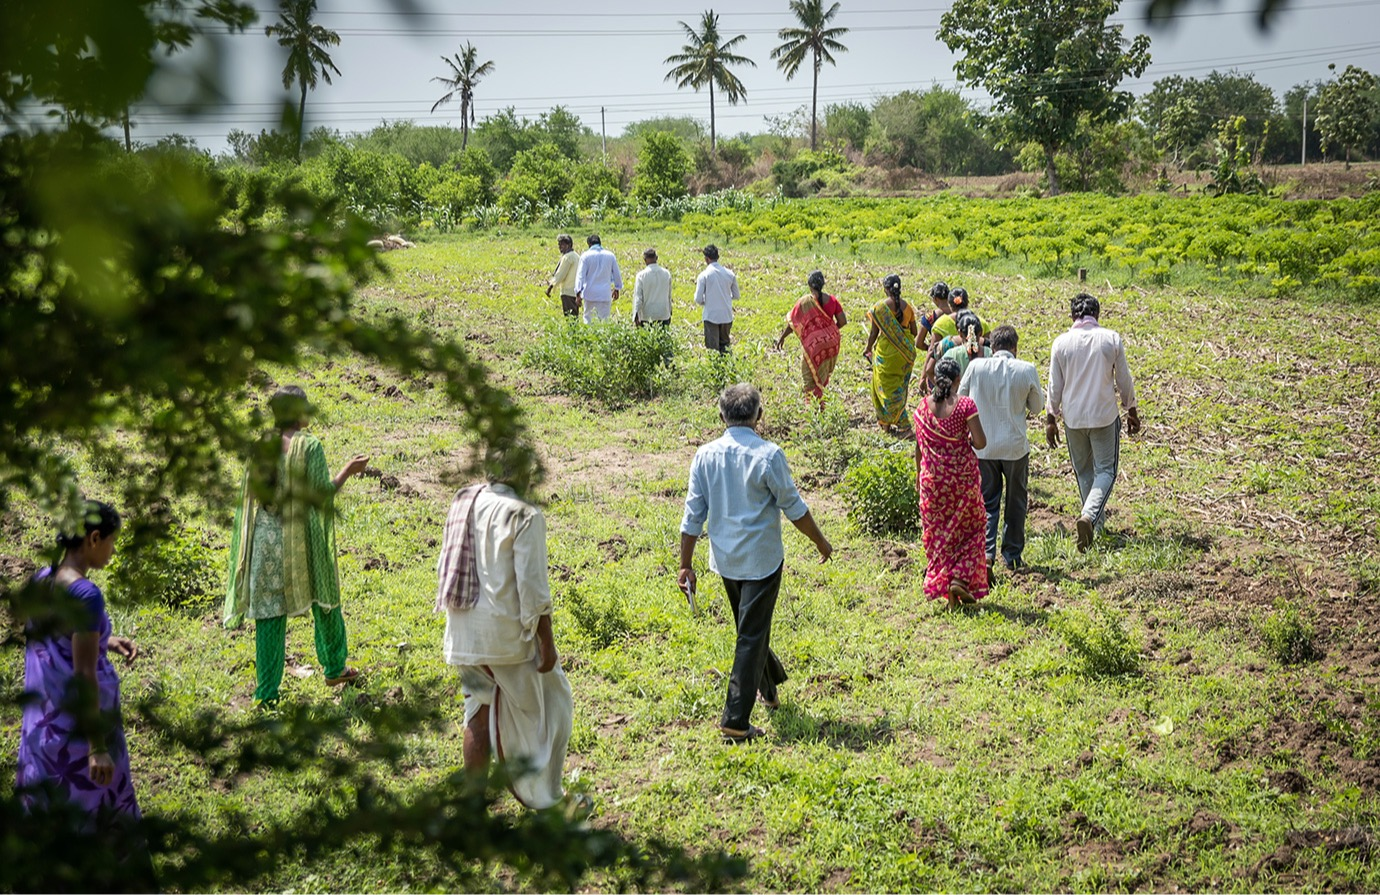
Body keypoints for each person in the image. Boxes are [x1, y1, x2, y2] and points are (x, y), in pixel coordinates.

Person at [679, 384, 832, 743]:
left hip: (727, 560)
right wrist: (821, 542)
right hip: (762, 561)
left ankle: (770, 686)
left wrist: (685, 564)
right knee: (751, 634)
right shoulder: (769, 455)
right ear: (759, 417)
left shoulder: (705, 455)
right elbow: (793, 507)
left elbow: (692, 516)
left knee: (750, 628)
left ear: (721, 417)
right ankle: (735, 718)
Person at [225, 386, 370, 703]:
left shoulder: (261, 446)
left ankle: (266, 693)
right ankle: (334, 667)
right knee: (326, 598)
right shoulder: (309, 446)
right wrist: (349, 470)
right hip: (301, 538)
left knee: (268, 616)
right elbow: (320, 495)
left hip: (264, 540)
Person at [437, 474, 574, 810]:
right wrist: (547, 641)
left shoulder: (462, 501)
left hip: (462, 634)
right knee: (552, 706)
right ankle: (545, 800)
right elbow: (533, 588)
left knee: (478, 711)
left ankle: (472, 809)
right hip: (504, 640)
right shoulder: (525, 513)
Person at [18, 501, 143, 827]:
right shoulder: (86, 595)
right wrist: (97, 747)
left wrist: (106, 641)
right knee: (98, 812)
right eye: (112, 542)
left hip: (46, 735)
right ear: (94, 538)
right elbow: (84, 672)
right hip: (79, 740)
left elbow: (60, 637)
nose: (112, 551)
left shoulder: (43, 580)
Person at [1046, 294, 1140, 552]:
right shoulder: (1110, 339)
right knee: (1106, 471)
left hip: (1073, 419)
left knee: (1084, 471)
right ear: (1097, 315)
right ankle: (1089, 517)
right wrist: (1131, 408)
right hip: (1103, 416)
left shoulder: (1061, 343)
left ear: (1072, 316)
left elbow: (1055, 385)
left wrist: (1050, 418)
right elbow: (1123, 378)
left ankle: (1093, 526)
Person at [957, 325, 1045, 575]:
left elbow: (962, 399)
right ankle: (1013, 554)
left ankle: (986, 553)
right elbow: (1037, 407)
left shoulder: (976, 367)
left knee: (987, 501)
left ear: (992, 347)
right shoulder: (1026, 369)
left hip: (983, 447)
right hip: (1015, 447)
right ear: (1015, 348)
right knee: (1016, 501)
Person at [914, 358, 990, 608]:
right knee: (972, 530)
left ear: (935, 378)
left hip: (932, 483)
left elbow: (919, 449)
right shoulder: (964, 405)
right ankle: (959, 579)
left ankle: (950, 590)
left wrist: (918, 477)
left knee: (939, 535)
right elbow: (980, 443)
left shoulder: (922, 408)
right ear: (958, 380)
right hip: (962, 482)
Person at [775, 269, 847, 404]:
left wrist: (782, 337)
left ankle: (814, 409)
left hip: (813, 347)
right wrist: (828, 333)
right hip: (830, 344)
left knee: (809, 378)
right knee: (822, 375)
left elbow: (793, 323)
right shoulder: (832, 300)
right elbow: (843, 321)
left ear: (809, 285)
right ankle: (821, 405)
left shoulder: (804, 302)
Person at [863, 273, 918, 432]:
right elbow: (914, 332)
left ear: (885, 289)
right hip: (904, 355)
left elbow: (873, 333)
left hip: (886, 354)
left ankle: (890, 422)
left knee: (883, 387)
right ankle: (894, 420)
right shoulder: (908, 307)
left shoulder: (879, 308)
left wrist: (867, 348)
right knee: (898, 387)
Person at [694, 244, 739, 353]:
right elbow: (736, 295)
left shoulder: (704, 275)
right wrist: (725, 298)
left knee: (712, 350)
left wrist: (708, 301)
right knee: (725, 346)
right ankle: (727, 367)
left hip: (711, 316)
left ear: (706, 259)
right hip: (726, 316)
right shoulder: (730, 274)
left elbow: (698, 299)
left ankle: (715, 369)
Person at [922, 310, 985, 388]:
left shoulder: (946, 345)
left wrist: (944, 389)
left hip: (953, 397)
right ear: (980, 332)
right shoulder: (985, 347)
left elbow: (929, 370)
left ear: (959, 330)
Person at [574, 234, 623, 324]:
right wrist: (617, 288)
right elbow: (617, 274)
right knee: (604, 320)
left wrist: (578, 293)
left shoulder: (585, 256)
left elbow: (580, 276)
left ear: (589, 244)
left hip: (590, 294)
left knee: (589, 320)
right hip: (604, 294)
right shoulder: (610, 256)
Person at [632, 247, 672, 328]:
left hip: (647, 316)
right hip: (663, 314)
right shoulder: (666, 274)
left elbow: (638, 298)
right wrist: (670, 311)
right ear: (656, 258)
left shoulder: (641, 276)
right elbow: (669, 295)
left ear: (644, 260)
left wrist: (636, 315)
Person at [545, 233, 581, 318]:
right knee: (574, 316)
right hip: (576, 292)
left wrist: (550, 287)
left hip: (567, 291)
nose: (560, 247)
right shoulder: (576, 256)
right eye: (559, 244)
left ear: (568, 245)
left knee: (570, 317)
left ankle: (572, 332)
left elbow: (560, 275)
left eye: (562, 244)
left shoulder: (567, 257)